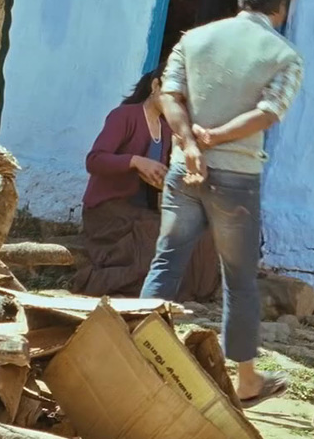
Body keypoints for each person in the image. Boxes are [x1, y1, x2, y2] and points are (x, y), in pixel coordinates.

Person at [140, 0, 303, 409]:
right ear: (282, 6)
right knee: (239, 281)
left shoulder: (193, 40)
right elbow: (269, 113)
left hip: (183, 170)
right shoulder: (283, 55)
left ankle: (137, 354)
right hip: (237, 179)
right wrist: (218, 137)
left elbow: (169, 96)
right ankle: (247, 381)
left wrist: (191, 142)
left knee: (167, 260)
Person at [71, 69, 221, 301]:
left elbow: (170, 174)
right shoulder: (124, 116)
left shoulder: (169, 128)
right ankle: (95, 282)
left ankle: (191, 293)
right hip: (109, 213)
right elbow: (94, 160)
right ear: (155, 86)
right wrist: (135, 162)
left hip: (142, 213)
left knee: (199, 234)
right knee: (154, 240)